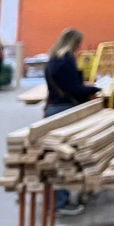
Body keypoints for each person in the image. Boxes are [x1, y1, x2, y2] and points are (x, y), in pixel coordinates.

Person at [44, 28, 99, 215]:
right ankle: (61, 203)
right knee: (66, 159)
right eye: (78, 44)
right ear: (73, 42)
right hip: (65, 111)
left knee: (54, 158)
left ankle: (58, 200)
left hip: (52, 110)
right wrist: (96, 88)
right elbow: (74, 89)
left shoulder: (52, 59)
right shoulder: (66, 59)